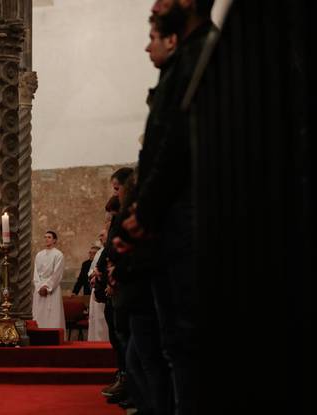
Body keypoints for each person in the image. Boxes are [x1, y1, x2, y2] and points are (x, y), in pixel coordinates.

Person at [119, 2, 215, 414]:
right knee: (176, 346)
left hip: (181, 226)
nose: (155, 6)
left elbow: (174, 147)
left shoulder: (201, 58)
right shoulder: (184, 63)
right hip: (170, 225)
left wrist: (143, 214)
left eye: (164, 1)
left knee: (185, 345)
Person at [32, 231, 66, 334]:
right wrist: (38, 286)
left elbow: (57, 273)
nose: (46, 239)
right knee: (39, 314)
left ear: (54, 240)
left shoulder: (58, 254)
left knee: (52, 315)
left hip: (52, 289)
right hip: (39, 288)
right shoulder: (39, 254)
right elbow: (36, 273)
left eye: (49, 237)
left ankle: (54, 337)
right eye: (45, 237)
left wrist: (47, 287)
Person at [87, 229, 110, 342]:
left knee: (103, 320)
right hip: (96, 287)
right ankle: (95, 342)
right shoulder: (100, 252)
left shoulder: (110, 250)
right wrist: (92, 275)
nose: (100, 238)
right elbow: (92, 269)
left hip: (105, 288)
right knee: (94, 319)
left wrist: (98, 275)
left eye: (102, 235)